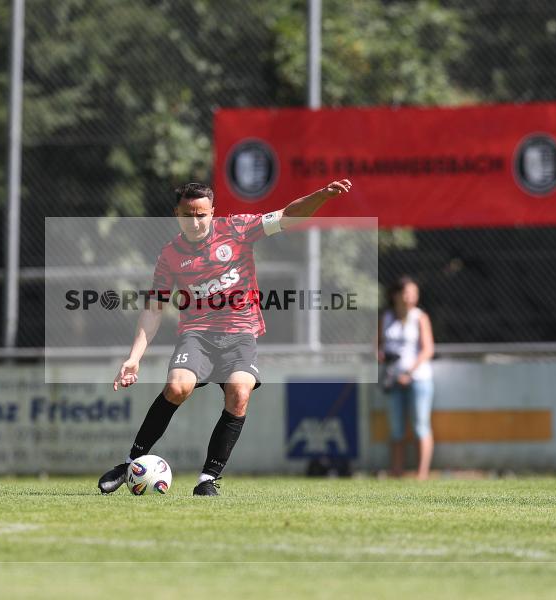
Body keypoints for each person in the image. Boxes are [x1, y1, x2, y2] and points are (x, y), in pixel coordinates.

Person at [97, 179, 353, 496]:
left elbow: (289, 215)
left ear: (213, 212)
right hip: (197, 335)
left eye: (202, 214)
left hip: (240, 334)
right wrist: (133, 358)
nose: (195, 221)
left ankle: (208, 480)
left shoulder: (238, 229)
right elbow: (154, 309)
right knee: (177, 387)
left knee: (240, 391)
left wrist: (321, 196)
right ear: (176, 213)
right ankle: (130, 464)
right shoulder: (170, 256)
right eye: (188, 214)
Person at [378, 275, 435, 480]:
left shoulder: (420, 317)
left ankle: (422, 474)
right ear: (395, 295)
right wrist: (381, 355)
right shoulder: (386, 318)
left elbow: (428, 349)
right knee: (396, 429)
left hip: (418, 379)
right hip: (392, 379)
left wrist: (409, 372)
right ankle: (396, 472)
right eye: (405, 292)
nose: (409, 297)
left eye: (413, 293)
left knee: (421, 425)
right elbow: (378, 346)